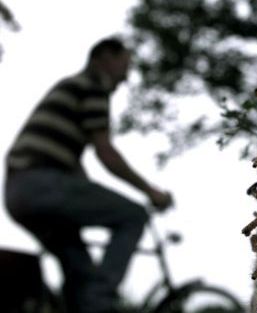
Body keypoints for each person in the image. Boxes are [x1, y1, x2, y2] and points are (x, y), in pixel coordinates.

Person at [3, 36, 173, 313]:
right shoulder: (93, 86)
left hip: (19, 191)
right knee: (133, 215)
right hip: (40, 183)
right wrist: (151, 192)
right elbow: (106, 154)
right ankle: (101, 300)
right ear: (105, 57)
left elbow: (77, 171)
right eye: (124, 65)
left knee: (80, 272)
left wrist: (92, 198)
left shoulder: (72, 89)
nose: (127, 76)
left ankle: (85, 302)